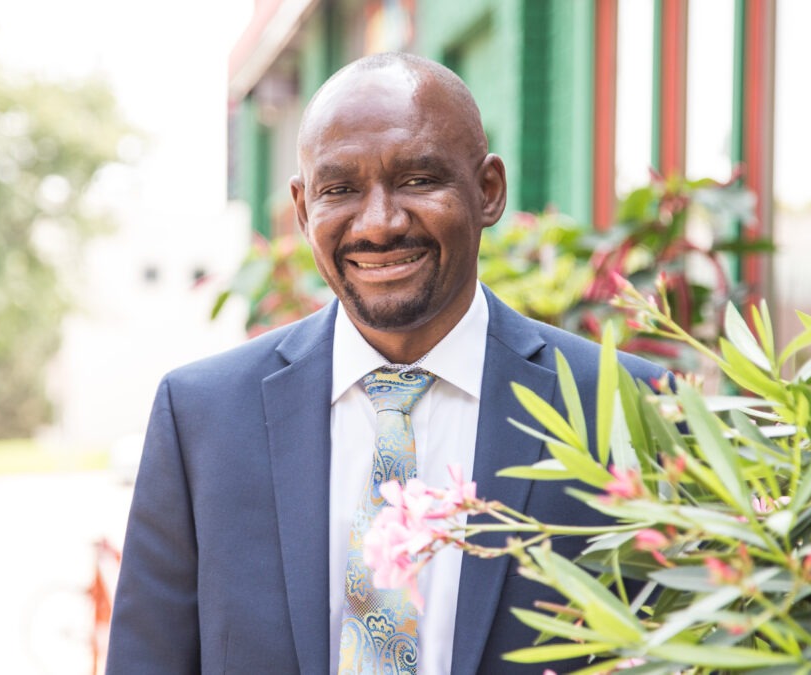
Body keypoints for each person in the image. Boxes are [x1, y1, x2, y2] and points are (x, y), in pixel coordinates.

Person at [106, 52, 665, 675]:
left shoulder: (628, 411)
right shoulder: (202, 419)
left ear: (488, 191)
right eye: (339, 190)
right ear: (301, 210)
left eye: (418, 180)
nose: (378, 224)